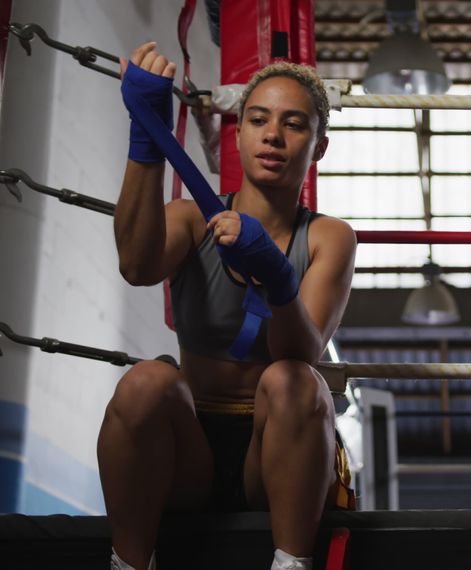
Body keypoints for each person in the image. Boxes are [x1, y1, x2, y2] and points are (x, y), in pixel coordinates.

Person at [99, 42, 357, 570]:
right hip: (189, 447)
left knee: (292, 380)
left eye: (294, 124)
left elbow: (301, 350)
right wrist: (145, 136)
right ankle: (128, 566)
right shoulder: (192, 217)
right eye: (258, 119)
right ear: (237, 132)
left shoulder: (330, 237)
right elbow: (136, 266)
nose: (273, 135)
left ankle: (291, 564)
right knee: (146, 381)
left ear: (319, 147)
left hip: (280, 453)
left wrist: (278, 274)